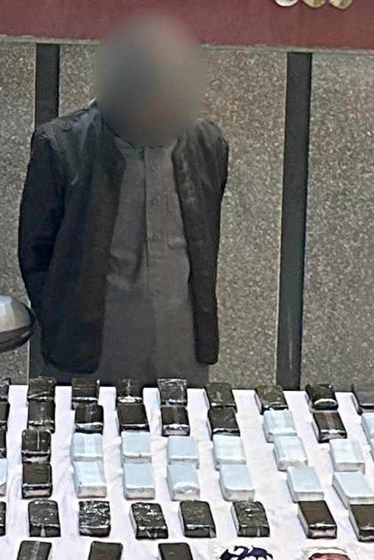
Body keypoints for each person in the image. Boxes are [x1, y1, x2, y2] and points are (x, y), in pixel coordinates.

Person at [18, 14, 229, 386]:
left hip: (181, 352)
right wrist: (61, 318)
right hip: (87, 357)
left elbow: (205, 243)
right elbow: (35, 253)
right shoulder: (62, 146)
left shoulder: (207, 145)